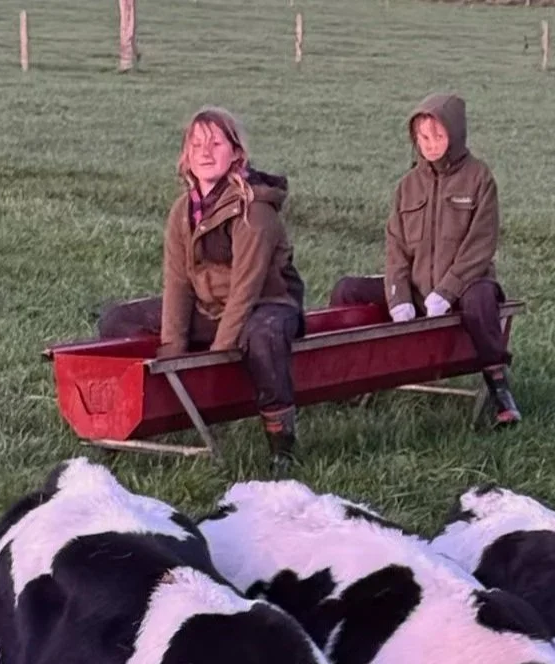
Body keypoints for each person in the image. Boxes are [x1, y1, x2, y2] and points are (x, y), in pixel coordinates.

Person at [97, 107, 306, 464]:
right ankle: (138, 413)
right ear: (186, 156)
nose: (205, 153)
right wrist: (172, 351)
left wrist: (217, 357)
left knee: (262, 335)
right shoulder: (183, 211)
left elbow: (246, 288)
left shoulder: (253, 210)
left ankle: (281, 441)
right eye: (196, 145)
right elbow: (178, 283)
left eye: (215, 143)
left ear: (236, 152)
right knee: (118, 320)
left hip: (267, 305)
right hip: (211, 308)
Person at [329, 92, 520, 425]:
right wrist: (399, 296)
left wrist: (447, 291)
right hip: (417, 288)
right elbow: (396, 247)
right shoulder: (407, 186)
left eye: (439, 136)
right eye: (424, 137)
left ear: (456, 135)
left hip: (465, 287)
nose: (431, 144)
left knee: (481, 299)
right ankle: (346, 380)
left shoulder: (479, 178)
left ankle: (499, 388)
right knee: (347, 289)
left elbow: (480, 244)